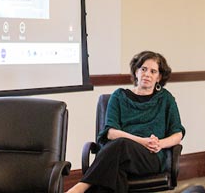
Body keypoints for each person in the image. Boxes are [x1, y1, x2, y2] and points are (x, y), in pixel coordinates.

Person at [66, 51, 185, 193]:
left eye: (153, 71)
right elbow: (111, 133)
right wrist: (141, 141)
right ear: (136, 72)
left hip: (150, 157)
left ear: (159, 77)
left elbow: (177, 133)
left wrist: (159, 144)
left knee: (119, 148)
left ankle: (81, 186)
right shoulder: (119, 96)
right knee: (115, 171)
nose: (147, 74)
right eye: (143, 69)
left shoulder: (166, 99)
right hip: (120, 152)